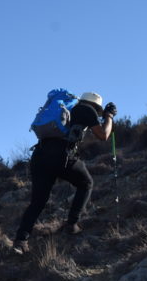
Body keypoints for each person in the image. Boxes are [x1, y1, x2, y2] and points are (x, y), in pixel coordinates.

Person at [13, 93, 116, 254]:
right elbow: (103, 135)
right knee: (86, 183)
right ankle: (72, 224)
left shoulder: (72, 108)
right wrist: (108, 117)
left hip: (39, 155)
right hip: (61, 155)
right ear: (95, 106)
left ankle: (20, 241)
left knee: (38, 201)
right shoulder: (87, 110)